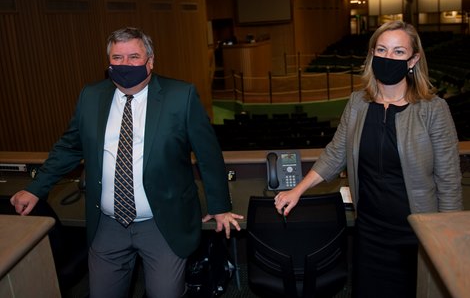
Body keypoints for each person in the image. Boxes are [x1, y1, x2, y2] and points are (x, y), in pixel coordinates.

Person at [10, 27, 243, 298]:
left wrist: (220, 207)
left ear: (150, 61)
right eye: (117, 58)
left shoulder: (181, 96)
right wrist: (36, 187)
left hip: (163, 223)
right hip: (107, 225)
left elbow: (208, 155)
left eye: (134, 56)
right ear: (108, 62)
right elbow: (68, 148)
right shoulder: (91, 97)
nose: (125, 64)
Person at [273, 20, 462, 298]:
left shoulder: (434, 109)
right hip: (370, 231)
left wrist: (448, 239)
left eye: (399, 52)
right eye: (382, 50)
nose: (388, 57)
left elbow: (448, 179)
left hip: (417, 232)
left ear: (414, 60)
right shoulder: (357, 103)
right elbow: (335, 152)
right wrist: (297, 190)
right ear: (372, 55)